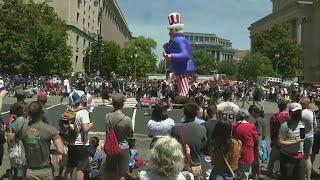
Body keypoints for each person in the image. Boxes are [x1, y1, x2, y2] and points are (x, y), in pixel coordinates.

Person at [14, 101, 66, 179]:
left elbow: (14, 139)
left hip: (29, 170)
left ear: (29, 113)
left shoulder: (22, 128)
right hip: (45, 171)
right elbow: (61, 150)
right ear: (42, 113)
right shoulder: (50, 129)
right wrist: (50, 151)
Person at [163, 12, 196, 96]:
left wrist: (170, 56)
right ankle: (181, 97)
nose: (169, 33)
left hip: (182, 68)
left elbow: (185, 55)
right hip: (179, 68)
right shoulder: (176, 40)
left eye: (170, 30)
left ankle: (183, 98)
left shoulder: (180, 40)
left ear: (175, 30)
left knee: (183, 90)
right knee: (180, 88)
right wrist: (167, 49)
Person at [171, 102, 207, 179]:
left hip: (179, 165)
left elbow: (172, 145)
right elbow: (203, 145)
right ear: (197, 113)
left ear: (184, 113)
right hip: (195, 165)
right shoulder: (202, 129)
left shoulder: (176, 128)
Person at [64, 90, 93, 180]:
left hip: (70, 142)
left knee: (70, 166)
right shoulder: (83, 112)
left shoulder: (69, 111)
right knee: (80, 168)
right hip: (81, 143)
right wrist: (91, 125)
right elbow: (85, 129)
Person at [104, 93, 134, 180]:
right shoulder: (127, 119)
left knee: (111, 172)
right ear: (123, 104)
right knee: (122, 174)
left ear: (113, 104)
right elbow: (130, 135)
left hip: (112, 147)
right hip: (123, 147)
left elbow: (107, 132)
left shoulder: (107, 117)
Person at [278, 102, 305, 180]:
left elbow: (303, 137)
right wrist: (296, 140)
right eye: (295, 112)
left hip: (299, 157)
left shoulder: (301, 125)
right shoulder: (284, 126)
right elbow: (280, 142)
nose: (297, 114)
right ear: (290, 113)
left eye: (299, 112)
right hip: (286, 157)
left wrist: (290, 142)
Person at [233, 109, 259, 180]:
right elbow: (256, 139)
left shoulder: (234, 126)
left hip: (236, 152)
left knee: (236, 173)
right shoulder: (251, 126)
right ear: (247, 117)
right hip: (247, 153)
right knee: (245, 173)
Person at [267, 99, 289, 178]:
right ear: (286, 107)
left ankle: (270, 172)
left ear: (278, 106)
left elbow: (271, 130)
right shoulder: (289, 116)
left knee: (273, 158)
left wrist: (272, 140)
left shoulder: (274, 117)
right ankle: (282, 172)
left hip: (277, 140)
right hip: (287, 140)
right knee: (285, 158)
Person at [7, 101, 28, 179]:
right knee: (21, 170)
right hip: (21, 147)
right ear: (24, 111)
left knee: (14, 167)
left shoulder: (12, 122)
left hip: (12, 147)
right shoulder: (24, 121)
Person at [201, 105, 219, 178]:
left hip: (206, 154)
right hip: (219, 155)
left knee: (207, 176)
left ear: (207, 114)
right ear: (216, 113)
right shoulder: (222, 124)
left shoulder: (203, 125)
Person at [300, 97, 315, 180]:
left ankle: (301, 175)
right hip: (310, 134)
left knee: (301, 155)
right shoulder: (311, 112)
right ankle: (308, 177)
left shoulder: (300, 113)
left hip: (302, 134)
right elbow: (315, 125)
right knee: (308, 157)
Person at [248, 105, 264, 180]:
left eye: (251, 113)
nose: (251, 115)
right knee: (256, 162)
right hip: (260, 142)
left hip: (257, 143)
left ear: (254, 112)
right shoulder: (260, 119)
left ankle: (255, 176)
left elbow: (259, 134)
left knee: (254, 162)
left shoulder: (258, 120)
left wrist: (258, 147)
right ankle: (256, 176)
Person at [312, 99, 320, 176]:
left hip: (316, 134)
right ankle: (310, 169)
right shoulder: (314, 113)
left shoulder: (314, 113)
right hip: (316, 135)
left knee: (313, 153)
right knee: (313, 153)